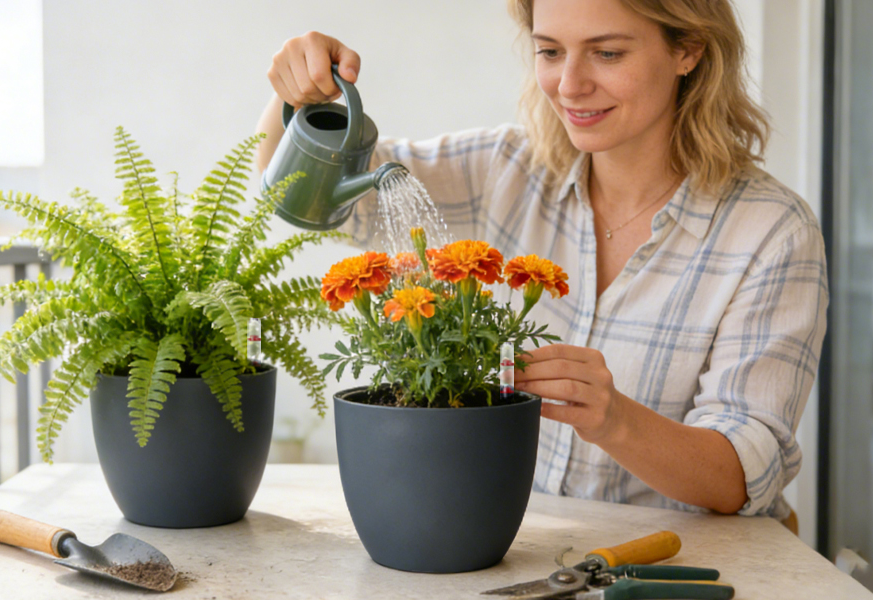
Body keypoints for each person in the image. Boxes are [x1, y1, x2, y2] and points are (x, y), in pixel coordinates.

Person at [254, 0, 827, 526]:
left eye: (607, 53)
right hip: (519, 551)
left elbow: (742, 475)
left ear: (689, 49)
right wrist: (294, 99)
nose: (570, 85)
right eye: (550, 51)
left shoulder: (771, 231)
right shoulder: (505, 168)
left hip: (681, 567)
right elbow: (304, 192)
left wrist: (614, 419)